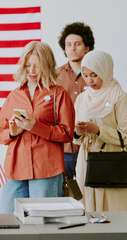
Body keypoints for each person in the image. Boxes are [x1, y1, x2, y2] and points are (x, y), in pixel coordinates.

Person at [0, 41, 75, 213]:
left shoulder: (58, 94)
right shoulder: (14, 95)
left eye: (37, 66)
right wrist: (12, 132)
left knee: (43, 224)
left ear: (47, 66)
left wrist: (35, 126)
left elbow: (68, 134)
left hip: (46, 169)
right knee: (7, 221)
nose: (31, 71)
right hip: (15, 169)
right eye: (27, 65)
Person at [74, 50, 127, 211]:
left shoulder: (119, 97)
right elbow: (75, 138)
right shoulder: (82, 99)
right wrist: (78, 133)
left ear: (105, 70)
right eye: (85, 75)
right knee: (88, 211)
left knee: (113, 213)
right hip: (86, 163)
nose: (89, 80)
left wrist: (98, 131)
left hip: (111, 164)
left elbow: (125, 136)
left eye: (94, 75)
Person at [57, 22, 95, 179]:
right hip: (62, 148)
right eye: (68, 44)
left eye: (77, 44)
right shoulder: (54, 76)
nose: (72, 48)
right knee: (61, 196)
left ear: (87, 47)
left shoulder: (97, 75)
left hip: (89, 146)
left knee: (87, 196)